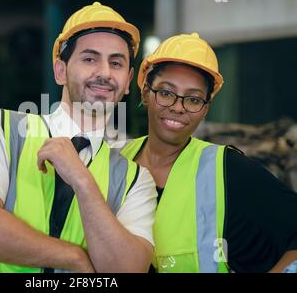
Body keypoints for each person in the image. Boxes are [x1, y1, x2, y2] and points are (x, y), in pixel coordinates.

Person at [0, 2, 157, 273]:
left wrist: (82, 180)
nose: (105, 73)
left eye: (116, 63)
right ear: (60, 71)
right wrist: (73, 258)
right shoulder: (1, 128)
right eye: (89, 58)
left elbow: (126, 269)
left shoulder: (135, 180)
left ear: (128, 80)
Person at [121, 32, 297, 273]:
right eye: (166, 93)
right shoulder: (115, 160)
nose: (177, 107)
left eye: (193, 99)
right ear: (145, 93)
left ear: (205, 109)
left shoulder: (228, 169)